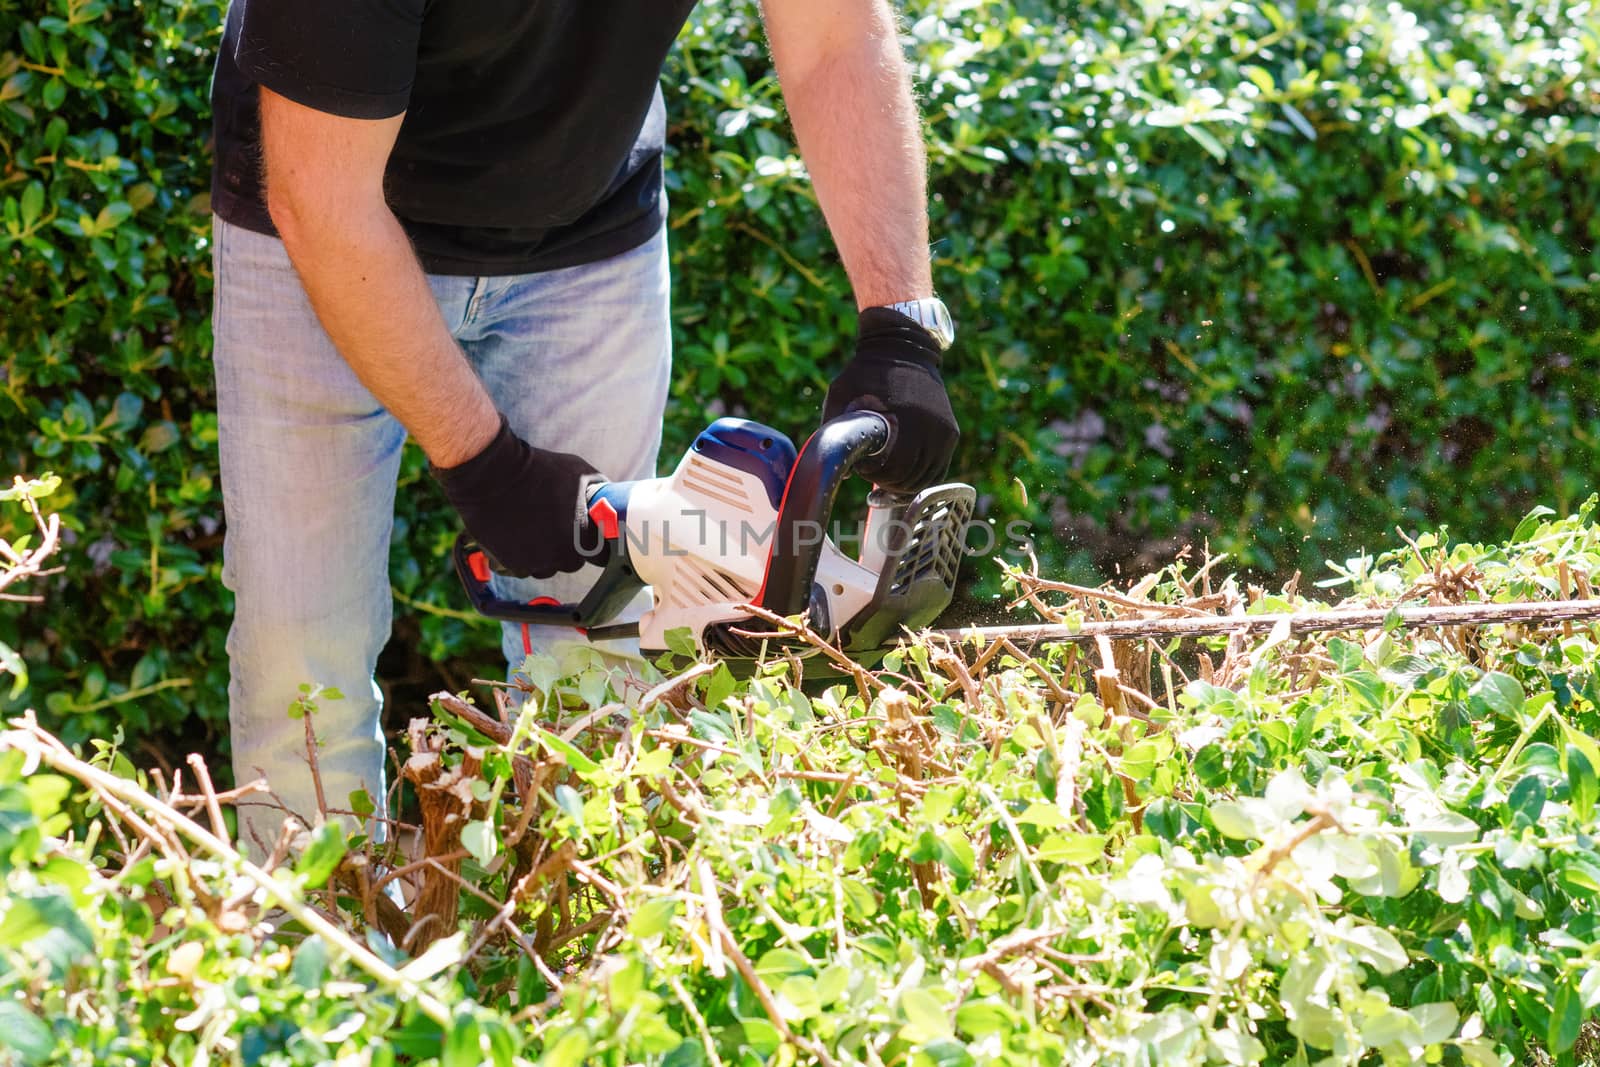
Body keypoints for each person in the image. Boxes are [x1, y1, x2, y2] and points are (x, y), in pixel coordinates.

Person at [209, 0, 961, 859]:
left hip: (587, 224)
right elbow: (322, 197)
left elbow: (831, 34)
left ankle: (575, 957)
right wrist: (485, 464)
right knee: (301, 656)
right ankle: (313, 965)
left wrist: (900, 326)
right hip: (323, 213)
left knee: (596, 656)